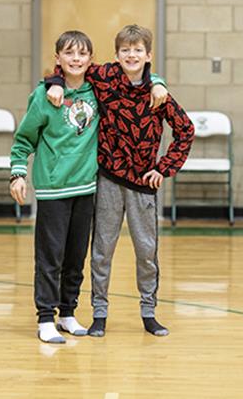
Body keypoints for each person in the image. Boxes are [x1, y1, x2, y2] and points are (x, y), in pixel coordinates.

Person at [81, 25, 191, 336]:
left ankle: (148, 311)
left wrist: (164, 167)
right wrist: (54, 84)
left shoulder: (159, 95)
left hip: (144, 183)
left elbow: (186, 130)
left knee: (146, 251)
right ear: (116, 55)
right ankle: (99, 314)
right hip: (109, 179)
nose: (132, 55)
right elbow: (71, 68)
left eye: (138, 50)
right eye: (125, 50)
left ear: (148, 55)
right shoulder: (103, 78)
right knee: (102, 248)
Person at [10, 31, 107, 343]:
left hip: (86, 188)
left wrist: (156, 80)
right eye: (69, 53)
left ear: (91, 59)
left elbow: (135, 71)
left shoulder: (98, 92)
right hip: (54, 188)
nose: (75, 59)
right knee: (50, 256)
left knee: (76, 256)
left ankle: (67, 313)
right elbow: (24, 138)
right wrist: (17, 173)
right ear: (58, 59)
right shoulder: (45, 95)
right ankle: (45, 318)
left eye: (81, 54)